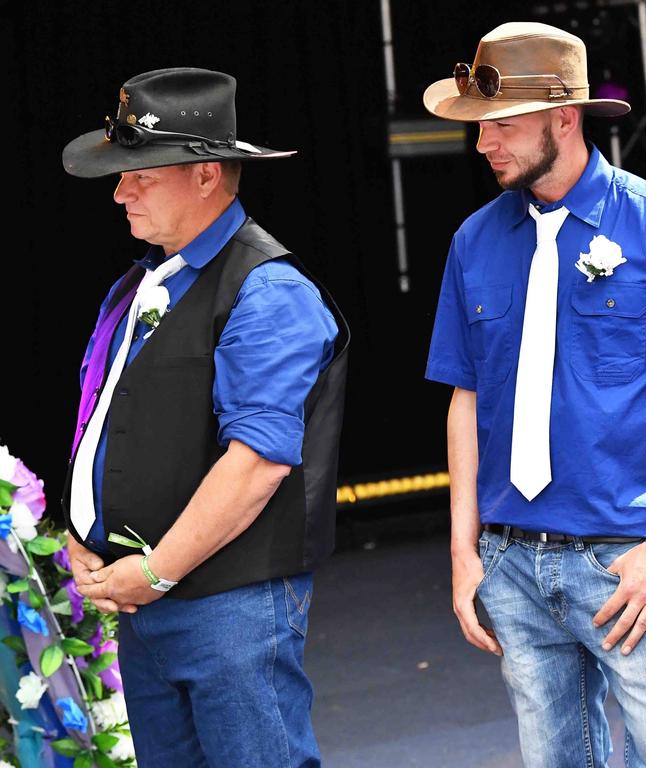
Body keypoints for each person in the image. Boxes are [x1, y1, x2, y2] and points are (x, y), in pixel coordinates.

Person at [423, 21, 646, 768]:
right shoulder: (474, 240)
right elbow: (464, 404)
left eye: (501, 123)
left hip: (625, 558)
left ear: (563, 118)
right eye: (479, 127)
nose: (483, 143)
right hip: (510, 559)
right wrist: (463, 551)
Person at [60, 67, 348, 767]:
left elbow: (256, 465)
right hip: (149, 604)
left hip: (229, 610)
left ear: (207, 174)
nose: (121, 190)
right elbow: (109, 422)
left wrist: (154, 572)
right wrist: (82, 536)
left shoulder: (268, 289)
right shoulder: (143, 283)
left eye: (140, 174)